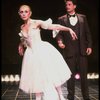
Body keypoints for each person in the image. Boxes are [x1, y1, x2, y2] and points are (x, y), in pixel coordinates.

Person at [18, 4, 77, 100]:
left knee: (51, 72)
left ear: (30, 13)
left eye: (26, 11)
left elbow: (54, 26)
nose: (24, 13)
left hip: (41, 51)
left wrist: (68, 29)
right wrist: (20, 45)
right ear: (19, 14)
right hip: (31, 54)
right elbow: (24, 38)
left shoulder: (36, 22)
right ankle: (38, 98)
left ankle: (60, 96)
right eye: (21, 12)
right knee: (36, 76)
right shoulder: (22, 27)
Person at [56, 0, 92, 100]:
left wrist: (89, 45)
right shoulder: (61, 19)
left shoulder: (82, 17)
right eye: (66, 5)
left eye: (69, 4)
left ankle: (86, 97)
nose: (67, 6)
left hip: (82, 50)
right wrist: (60, 42)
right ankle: (70, 97)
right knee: (70, 77)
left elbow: (87, 32)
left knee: (84, 77)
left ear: (74, 6)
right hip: (69, 50)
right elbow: (59, 33)